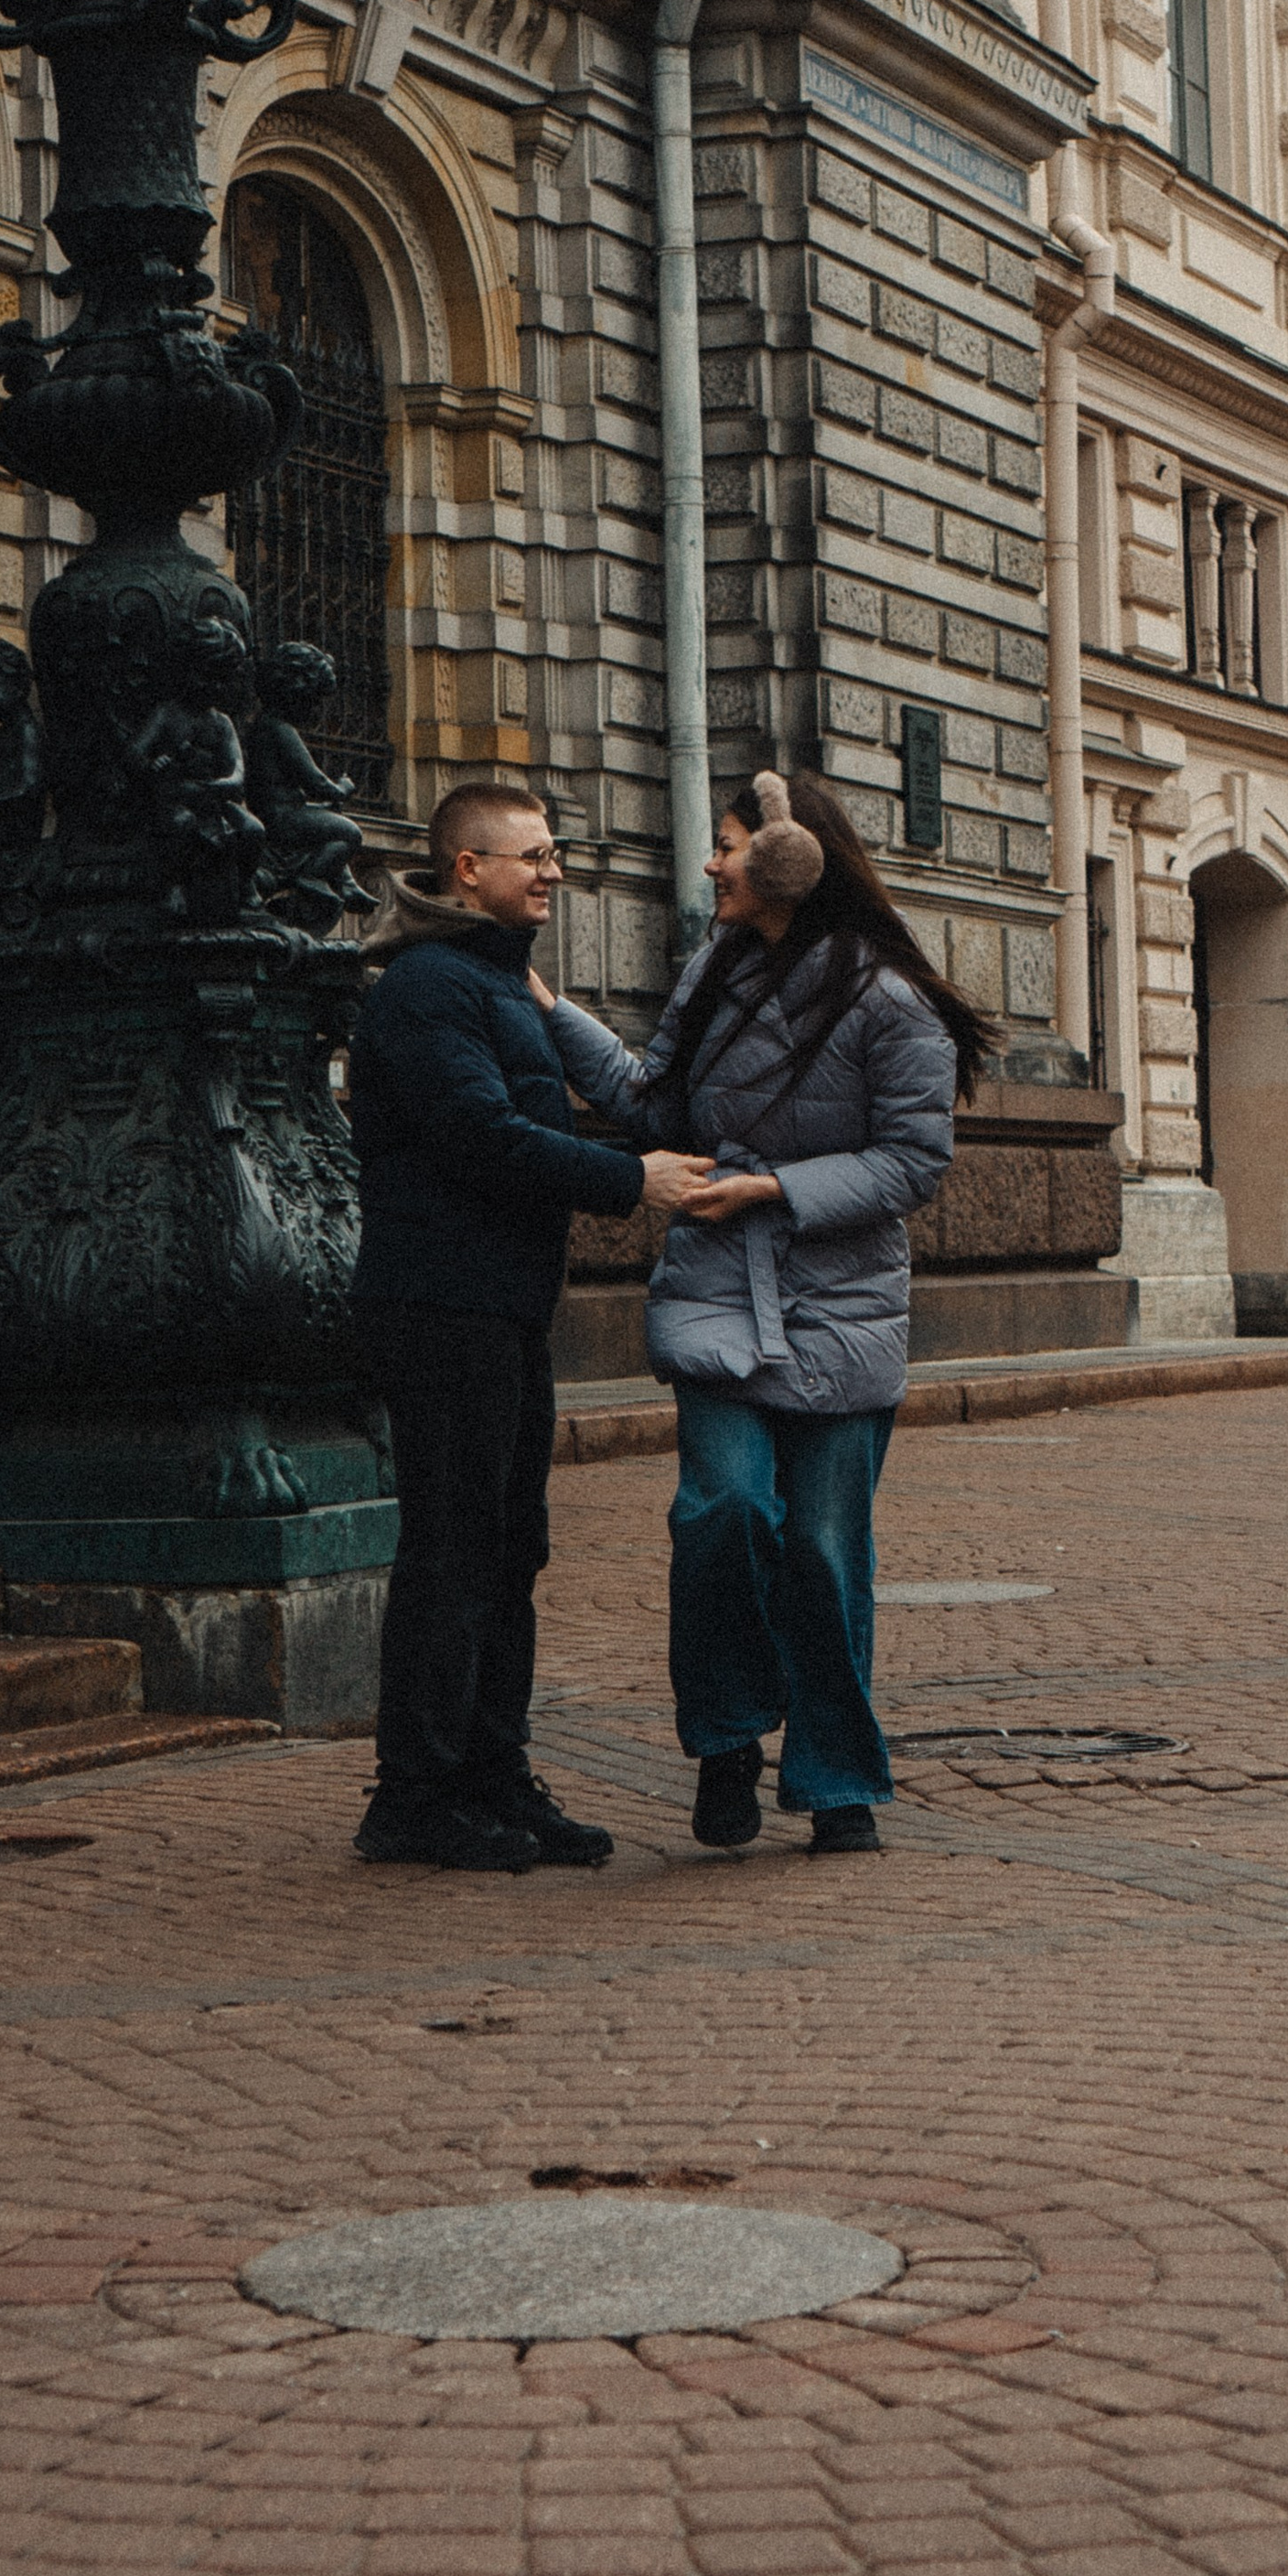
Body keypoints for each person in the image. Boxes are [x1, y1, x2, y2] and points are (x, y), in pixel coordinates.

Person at [547, 769, 991, 1857]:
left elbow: (912, 1164)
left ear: (792, 856)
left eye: (731, 843)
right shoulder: (715, 971)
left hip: (840, 1308)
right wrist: (551, 1012)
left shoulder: (891, 1003)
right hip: (714, 1296)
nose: (712, 863)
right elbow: (655, 1097)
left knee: (827, 1552)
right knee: (722, 1514)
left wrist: (778, 1189)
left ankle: (838, 1780)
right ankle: (729, 1738)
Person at [349, 782, 709, 1873]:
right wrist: (627, 1179)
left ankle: (491, 1778)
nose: (554, 872)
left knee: (509, 1549)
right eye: (534, 856)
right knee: (454, 1551)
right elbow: (477, 1136)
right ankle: (414, 1795)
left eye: (556, 853)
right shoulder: (425, 988)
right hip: (441, 1306)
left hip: (499, 1308)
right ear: (468, 869)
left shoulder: (494, 984)